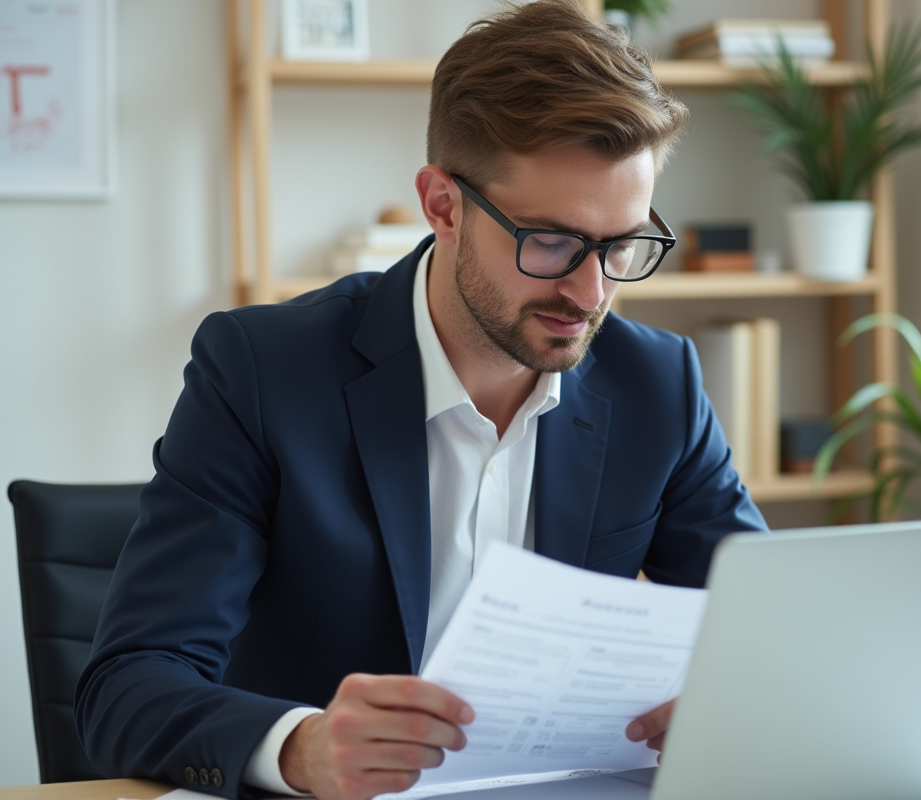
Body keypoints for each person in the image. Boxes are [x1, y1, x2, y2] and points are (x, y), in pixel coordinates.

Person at [75, 2, 766, 799]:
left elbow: (762, 631)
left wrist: (731, 701)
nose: (591, 291)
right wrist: (300, 748)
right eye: (551, 242)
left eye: (623, 245)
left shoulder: (658, 384)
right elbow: (126, 688)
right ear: (443, 205)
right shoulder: (261, 371)